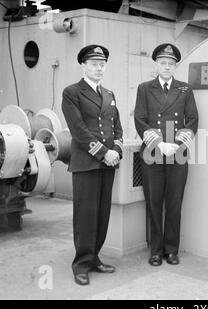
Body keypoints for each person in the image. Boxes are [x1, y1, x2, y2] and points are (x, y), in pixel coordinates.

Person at [61, 44, 123, 285]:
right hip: (87, 163)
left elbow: (117, 127)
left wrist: (116, 150)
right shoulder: (72, 92)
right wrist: (104, 152)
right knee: (85, 216)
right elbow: (79, 131)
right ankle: (80, 264)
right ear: (83, 66)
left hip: (108, 164)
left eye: (102, 64)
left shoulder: (109, 94)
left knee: (102, 215)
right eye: (94, 64)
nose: (99, 67)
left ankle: (94, 257)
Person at [134, 43, 198, 266]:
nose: (167, 67)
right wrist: (160, 144)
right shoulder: (144, 88)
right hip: (153, 153)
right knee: (153, 202)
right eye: (163, 63)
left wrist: (177, 143)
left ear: (175, 66)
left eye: (171, 64)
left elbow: (192, 120)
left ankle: (171, 250)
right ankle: (155, 250)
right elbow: (140, 120)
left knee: (174, 203)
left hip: (177, 154)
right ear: (156, 64)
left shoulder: (184, 89)